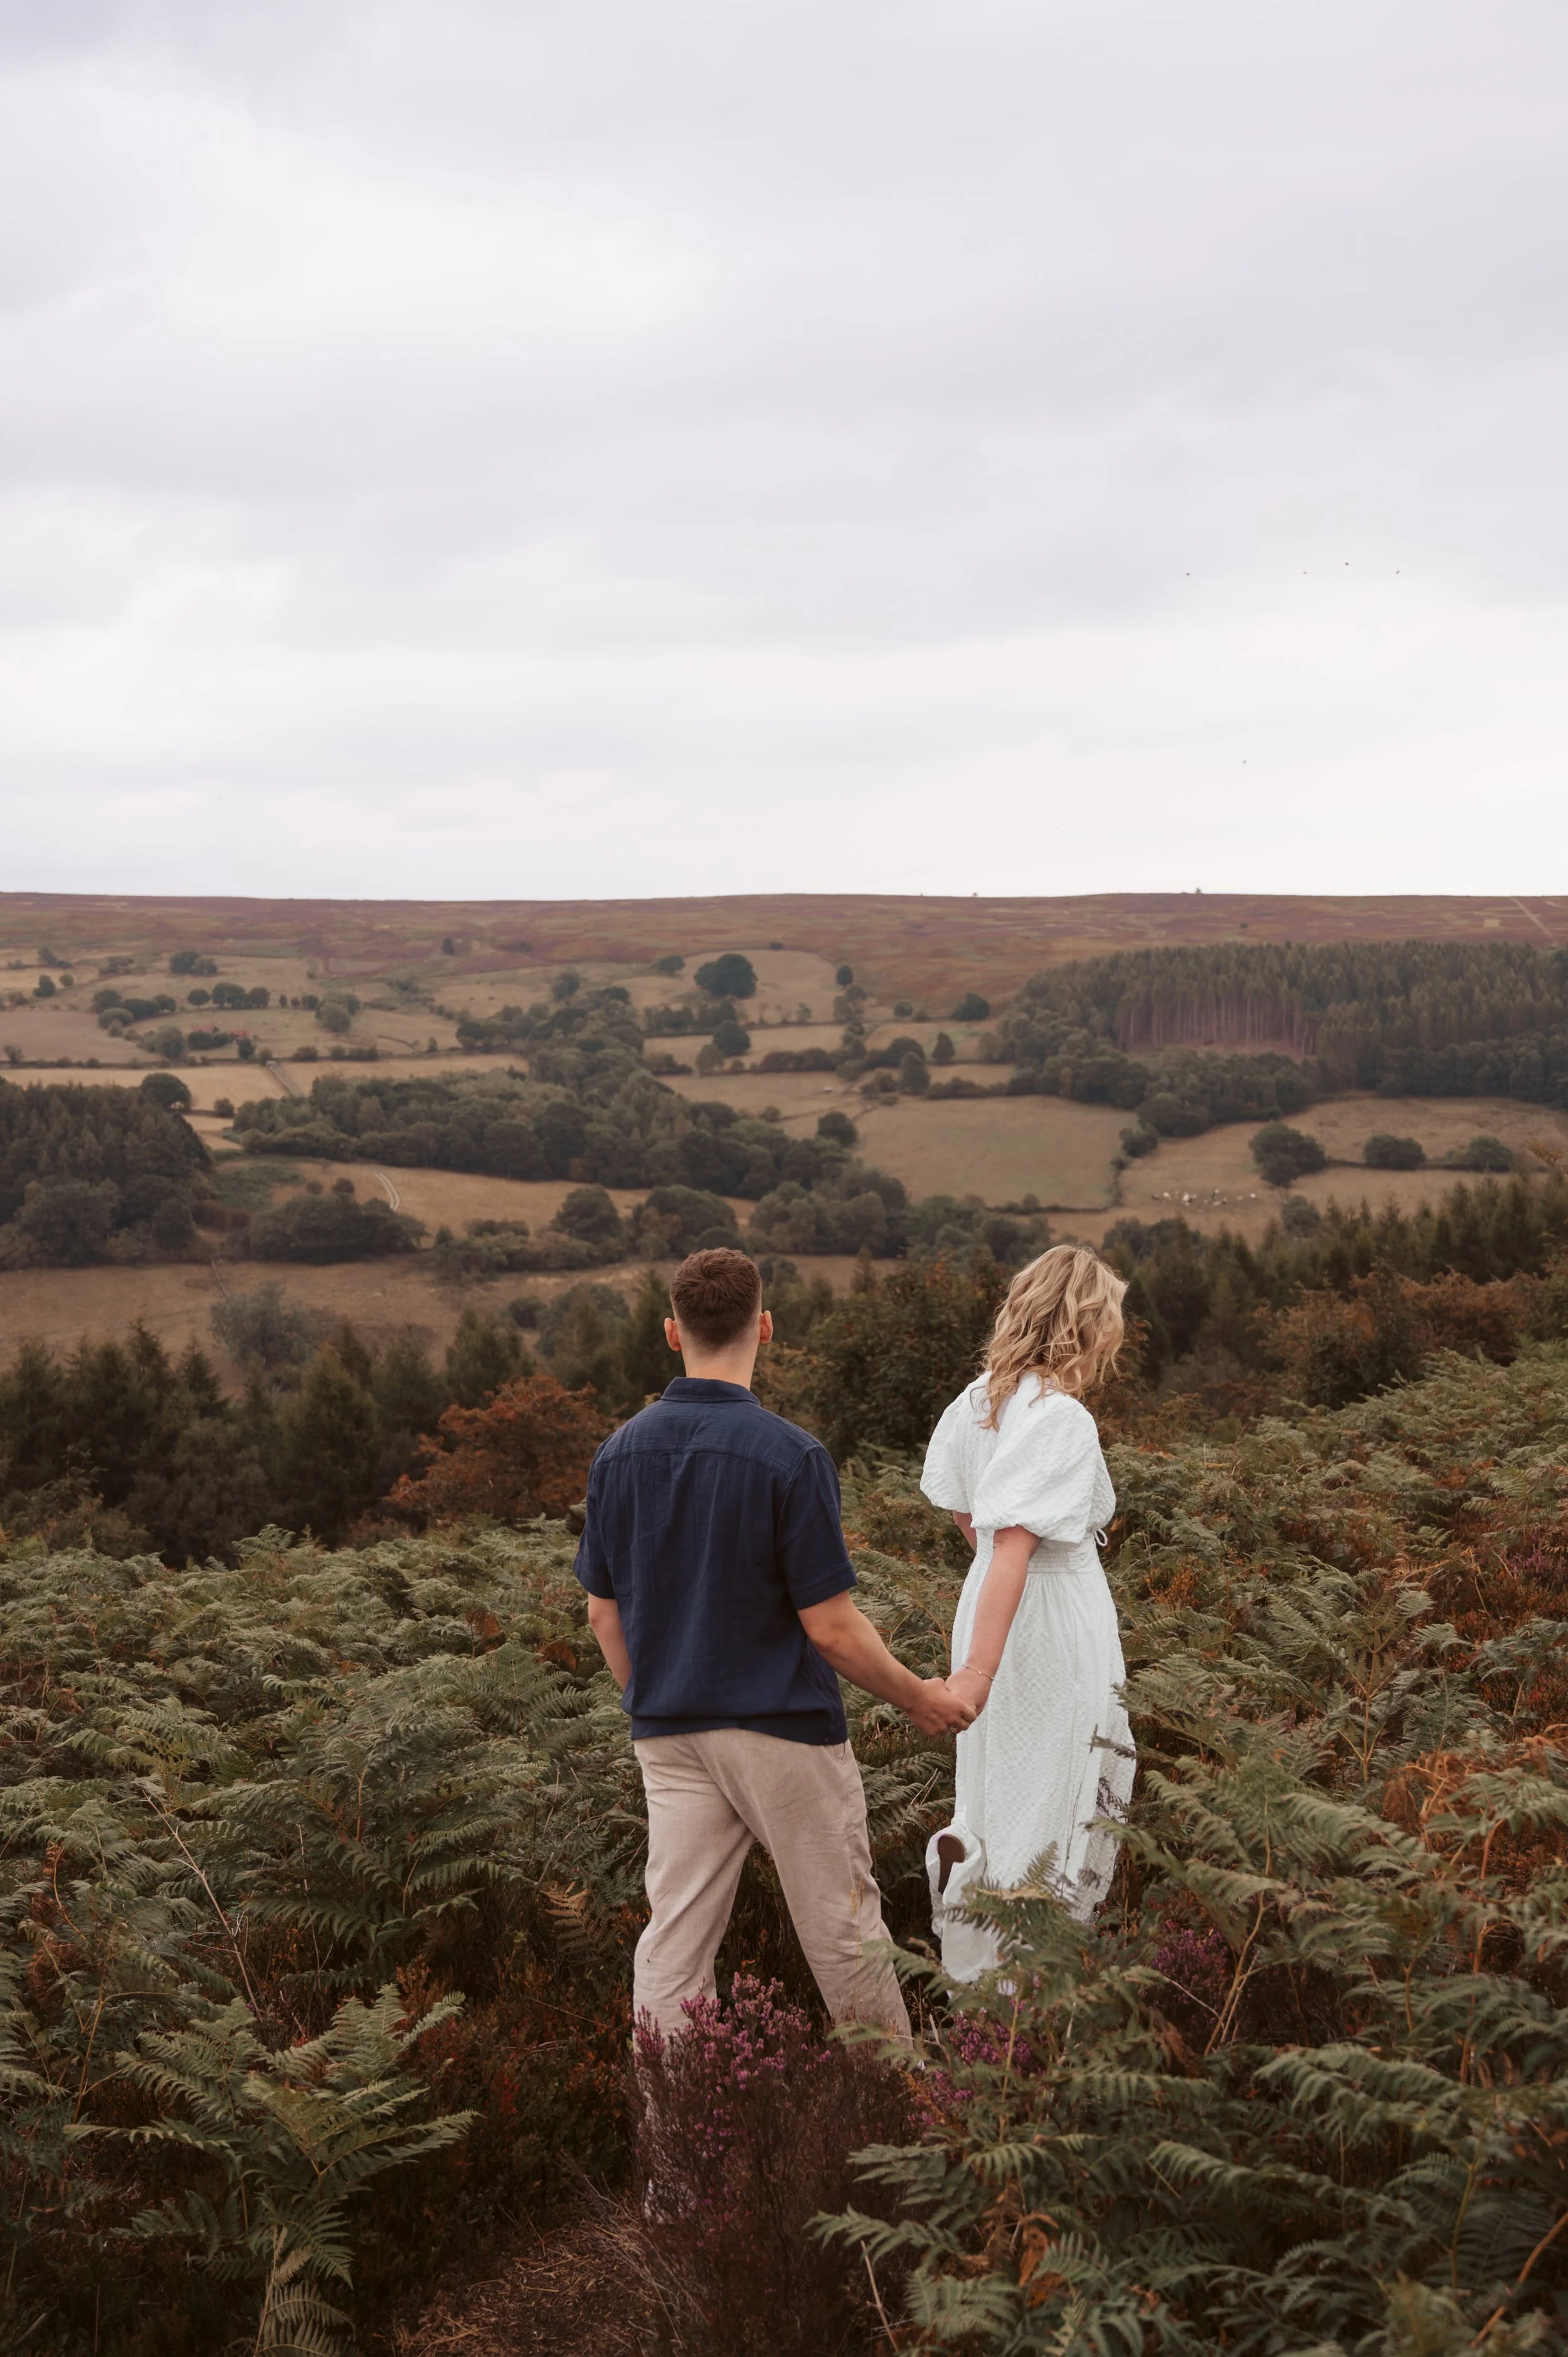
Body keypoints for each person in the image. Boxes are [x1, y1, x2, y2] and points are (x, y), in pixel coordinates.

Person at [576, 1247, 975, 2043]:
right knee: (842, 1927)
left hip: (669, 1729)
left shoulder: (617, 1454)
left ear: (670, 1331)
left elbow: (601, 1614)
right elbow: (829, 1627)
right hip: (780, 1725)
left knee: (674, 1942)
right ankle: (901, 2119)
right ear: (764, 1325)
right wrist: (921, 1697)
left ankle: (672, 2154)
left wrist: (649, 1696)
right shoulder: (790, 1455)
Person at [919, 1244, 1135, 1979]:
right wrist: (978, 1674)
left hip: (992, 1605)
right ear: (1088, 1325)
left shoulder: (977, 1399)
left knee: (993, 1798)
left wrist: (983, 1629)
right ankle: (1027, 1997)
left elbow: (967, 1515)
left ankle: (977, 1982)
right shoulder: (1061, 1416)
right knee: (1051, 1801)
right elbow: (1010, 1539)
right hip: (1045, 1622)